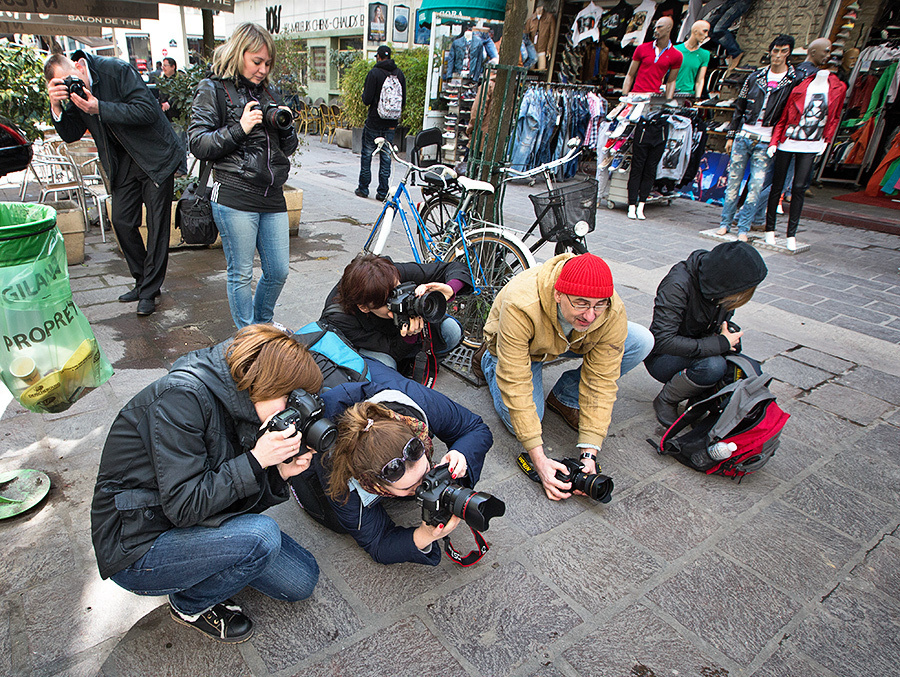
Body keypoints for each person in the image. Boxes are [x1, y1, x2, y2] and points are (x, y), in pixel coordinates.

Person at [90, 325, 324, 642]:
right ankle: (189, 605)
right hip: (137, 543)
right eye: (289, 398)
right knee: (261, 537)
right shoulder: (180, 399)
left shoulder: (247, 405)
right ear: (264, 383)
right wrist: (257, 459)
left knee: (303, 580)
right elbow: (185, 507)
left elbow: (236, 502)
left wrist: (279, 472)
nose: (293, 412)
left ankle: (211, 564)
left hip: (188, 517)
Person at [477, 253, 655, 501]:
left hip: (567, 340)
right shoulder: (521, 302)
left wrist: (589, 453)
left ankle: (565, 396)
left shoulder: (609, 309)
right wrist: (539, 460)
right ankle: (488, 360)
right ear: (559, 295)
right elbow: (515, 381)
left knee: (641, 341)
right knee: (526, 422)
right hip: (520, 350)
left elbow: (602, 381)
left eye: (598, 305)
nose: (590, 315)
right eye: (581, 303)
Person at [303, 358, 492, 565]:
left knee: (387, 362)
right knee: (338, 520)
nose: (424, 486)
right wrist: (424, 536)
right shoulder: (337, 474)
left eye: (427, 469)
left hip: (366, 371)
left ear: (417, 435)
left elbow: (475, 428)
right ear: (373, 484)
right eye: (410, 487)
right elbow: (378, 542)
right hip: (312, 395)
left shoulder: (415, 401)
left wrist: (461, 453)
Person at [44, 52, 183, 317]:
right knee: (120, 220)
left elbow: (147, 110)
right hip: (122, 163)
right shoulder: (72, 93)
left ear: (77, 65)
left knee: (156, 226)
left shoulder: (115, 70)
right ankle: (142, 280)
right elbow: (71, 134)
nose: (70, 86)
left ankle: (149, 291)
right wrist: (57, 107)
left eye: (70, 80)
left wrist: (100, 107)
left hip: (154, 155)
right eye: (61, 85)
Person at [189, 23, 299, 329]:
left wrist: (287, 127)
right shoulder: (212, 89)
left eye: (268, 63)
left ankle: (262, 328)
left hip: (271, 193)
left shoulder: (269, 92)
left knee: (278, 271)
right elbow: (198, 142)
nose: (263, 69)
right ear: (240, 54)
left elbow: (285, 149)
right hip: (235, 193)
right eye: (257, 62)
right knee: (240, 273)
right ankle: (247, 336)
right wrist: (241, 127)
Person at [645, 241, 767, 427]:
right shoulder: (678, 283)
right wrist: (720, 344)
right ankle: (667, 399)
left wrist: (726, 332)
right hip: (663, 357)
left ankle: (701, 401)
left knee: (747, 367)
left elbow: (710, 325)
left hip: (696, 346)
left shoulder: (719, 289)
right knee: (713, 366)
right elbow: (663, 340)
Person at [322, 254, 470, 373]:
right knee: (385, 366)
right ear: (364, 307)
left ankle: (421, 363)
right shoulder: (340, 318)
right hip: (373, 346)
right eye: (388, 303)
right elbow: (390, 349)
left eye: (398, 291)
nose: (399, 301)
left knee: (451, 330)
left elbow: (456, 267)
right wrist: (409, 337)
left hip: (400, 334)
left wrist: (450, 288)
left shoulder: (389, 275)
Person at [716, 34, 797, 241]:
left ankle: (743, 226)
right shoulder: (754, 77)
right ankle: (725, 222)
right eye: (775, 50)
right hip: (745, 134)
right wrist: (731, 135)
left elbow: (788, 112)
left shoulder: (792, 81)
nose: (777, 56)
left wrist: (777, 140)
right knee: (733, 182)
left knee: (756, 186)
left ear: (789, 54)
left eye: (783, 51)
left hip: (766, 139)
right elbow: (739, 107)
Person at [355, 45, 406, 202]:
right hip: (391, 122)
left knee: (367, 154)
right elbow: (403, 101)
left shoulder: (374, 73)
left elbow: (367, 99)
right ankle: (382, 192)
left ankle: (363, 189)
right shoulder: (399, 74)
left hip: (374, 121)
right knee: (386, 156)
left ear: (378, 57)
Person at [159, 57, 188, 176]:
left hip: (177, 118)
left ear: (173, 67)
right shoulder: (163, 80)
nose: (163, 68)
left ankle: (182, 169)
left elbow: (179, 96)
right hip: (166, 118)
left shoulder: (179, 80)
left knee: (180, 143)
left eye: (166, 65)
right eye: (163, 65)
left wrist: (169, 103)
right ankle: (173, 168)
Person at [674, 20, 711, 98]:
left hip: (688, 95)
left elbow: (700, 80)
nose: (706, 35)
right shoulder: (675, 50)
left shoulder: (704, 54)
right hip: (670, 93)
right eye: (704, 31)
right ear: (695, 31)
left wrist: (697, 98)